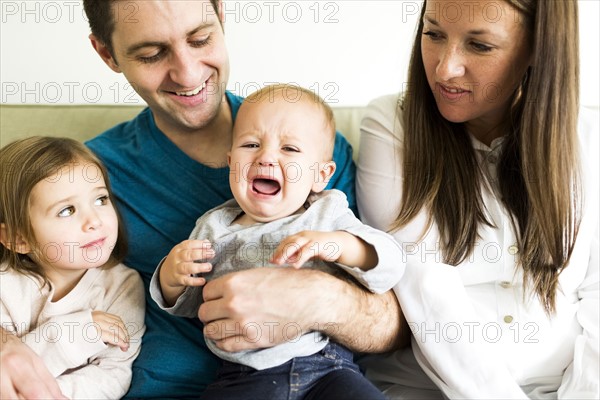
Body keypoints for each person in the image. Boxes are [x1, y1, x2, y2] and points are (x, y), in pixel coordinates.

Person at [0, 2, 406, 399]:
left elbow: (393, 321)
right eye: (152, 53)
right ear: (107, 53)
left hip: (324, 374)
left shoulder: (315, 150)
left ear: (222, 16)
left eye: (200, 38)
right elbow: (16, 275)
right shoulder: (85, 180)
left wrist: (319, 298)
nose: (187, 72)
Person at [356, 0, 599, 399]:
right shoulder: (392, 125)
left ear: (539, 46)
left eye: (480, 46)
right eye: (433, 34)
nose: (445, 68)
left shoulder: (590, 139)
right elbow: (425, 285)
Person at [150, 84, 404, 399]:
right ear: (231, 161)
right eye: (251, 144)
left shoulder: (328, 213)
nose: (266, 157)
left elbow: (390, 264)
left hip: (329, 371)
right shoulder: (213, 227)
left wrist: (339, 245)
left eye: (290, 149)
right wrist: (171, 276)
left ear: (321, 175)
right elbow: (191, 304)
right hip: (244, 378)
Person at [0, 137, 145, 399]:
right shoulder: (5, 285)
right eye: (67, 210)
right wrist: (69, 334)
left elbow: (113, 374)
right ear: (18, 238)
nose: (94, 221)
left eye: (100, 199)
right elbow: (9, 371)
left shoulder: (122, 286)